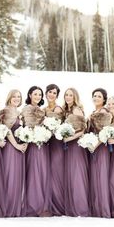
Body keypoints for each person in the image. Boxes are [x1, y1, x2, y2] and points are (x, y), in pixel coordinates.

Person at [21, 86, 50, 217]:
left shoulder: (41, 110)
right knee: (34, 172)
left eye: (40, 94)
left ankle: (42, 204)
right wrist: (36, 135)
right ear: (30, 95)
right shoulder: (27, 109)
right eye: (35, 94)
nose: (38, 96)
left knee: (42, 173)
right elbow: (28, 126)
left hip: (42, 144)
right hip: (32, 144)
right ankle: (34, 206)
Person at [0, 90, 28, 217]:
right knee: (9, 176)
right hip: (11, 148)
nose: (16, 99)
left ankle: (15, 208)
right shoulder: (7, 111)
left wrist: (25, 141)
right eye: (14, 96)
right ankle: (7, 208)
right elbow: (7, 130)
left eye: (19, 97)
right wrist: (16, 145)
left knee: (17, 176)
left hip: (20, 148)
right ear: (9, 98)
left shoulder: (19, 112)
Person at [63, 88, 89, 217]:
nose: (68, 97)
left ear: (75, 97)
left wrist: (70, 138)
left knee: (77, 174)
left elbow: (83, 130)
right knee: (70, 174)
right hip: (68, 147)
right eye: (66, 95)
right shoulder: (66, 110)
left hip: (76, 146)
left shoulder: (76, 110)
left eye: (71, 95)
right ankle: (71, 205)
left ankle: (80, 207)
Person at [88, 87, 112, 218]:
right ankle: (96, 208)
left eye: (99, 96)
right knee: (95, 176)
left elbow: (104, 132)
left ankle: (103, 209)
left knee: (101, 176)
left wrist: (95, 145)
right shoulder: (94, 111)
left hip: (100, 148)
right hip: (92, 147)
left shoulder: (103, 111)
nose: (96, 98)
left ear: (104, 99)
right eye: (94, 95)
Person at [44, 84, 64, 216]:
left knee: (56, 172)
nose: (52, 94)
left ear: (57, 95)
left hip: (56, 142)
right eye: (50, 92)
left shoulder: (58, 109)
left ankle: (59, 206)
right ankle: (49, 204)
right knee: (48, 174)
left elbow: (60, 126)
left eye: (54, 93)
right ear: (46, 93)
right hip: (46, 143)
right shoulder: (43, 109)